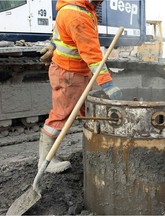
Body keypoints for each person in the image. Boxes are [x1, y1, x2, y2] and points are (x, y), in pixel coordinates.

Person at [38, 0, 122, 173]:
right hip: (69, 73)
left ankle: (94, 149)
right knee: (61, 116)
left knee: (87, 111)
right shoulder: (77, 14)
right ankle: (45, 161)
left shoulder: (77, 8)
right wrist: (107, 84)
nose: (100, 3)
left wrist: (53, 45)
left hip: (76, 71)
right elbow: (93, 55)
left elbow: (64, 36)